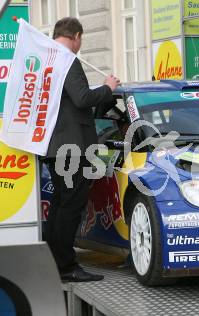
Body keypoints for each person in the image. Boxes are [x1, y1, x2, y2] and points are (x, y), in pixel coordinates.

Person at [44, 17, 120, 282]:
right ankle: (66, 267)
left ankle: (53, 262)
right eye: (81, 40)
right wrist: (108, 88)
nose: (80, 45)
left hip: (53, 145)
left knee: (60, 204)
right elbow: (82, 98)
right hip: (72, 146)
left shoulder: (47, 58)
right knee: (71, 206)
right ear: (76, 36)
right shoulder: (67, 59)